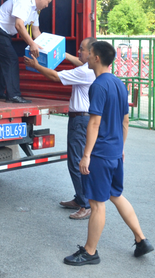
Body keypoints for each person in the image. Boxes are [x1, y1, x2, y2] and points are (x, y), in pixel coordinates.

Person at [63, 41, 153, 266]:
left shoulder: (98, 85)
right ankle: (141, 239)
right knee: (116, 195)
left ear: (96, 58)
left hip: (100, 154)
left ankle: (90, 252)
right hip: (114, 153)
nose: (85, 56)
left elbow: (94, 123)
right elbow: (125, 121)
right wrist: (120, 148)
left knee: (96, 204)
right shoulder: (119, 84)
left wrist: (86, 155)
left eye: (89, 53)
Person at [24, 37, 96, 221]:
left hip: (80, 120)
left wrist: (36, 65)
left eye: (81, 49)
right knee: (79, 160)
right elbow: (79, 61)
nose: (78, 52)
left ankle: (85, 204)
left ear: (91, 53)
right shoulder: (92, 68)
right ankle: (80, 198)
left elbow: (55, 77)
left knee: (76, 162)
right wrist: (61, 53)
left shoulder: (84, 72)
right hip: (83, 119)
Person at [0, 0, 54, 103]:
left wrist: (48, 49)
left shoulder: (35, 11)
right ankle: (13, 95)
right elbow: (19, 25)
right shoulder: (24, 1)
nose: (47, 5)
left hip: (3, 33)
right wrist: (32, 44)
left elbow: (36, 32)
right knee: (11, 59)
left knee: (5, 61)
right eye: (48, 2)